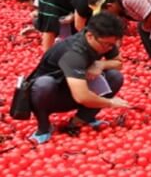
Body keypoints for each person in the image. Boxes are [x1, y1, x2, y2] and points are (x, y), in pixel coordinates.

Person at [27, 13, 131, 144]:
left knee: (115, 77)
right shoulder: (74, 53)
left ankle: (81, 119)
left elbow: (118, 63)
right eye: (106, 45)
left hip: (77, 86)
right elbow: (82, 97)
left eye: (112, 45)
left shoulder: (103, 41)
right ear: (89, 36)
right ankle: (44, 127)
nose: (109, 48)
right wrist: (110, 103)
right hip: (51, 95)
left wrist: (101, 64)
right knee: (44, 84)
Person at [35, 0, 112, 50]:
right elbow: (79, 26)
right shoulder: (84, 0)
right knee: (50, 25)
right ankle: (46, 53)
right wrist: (93, 40)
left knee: (86, 22)